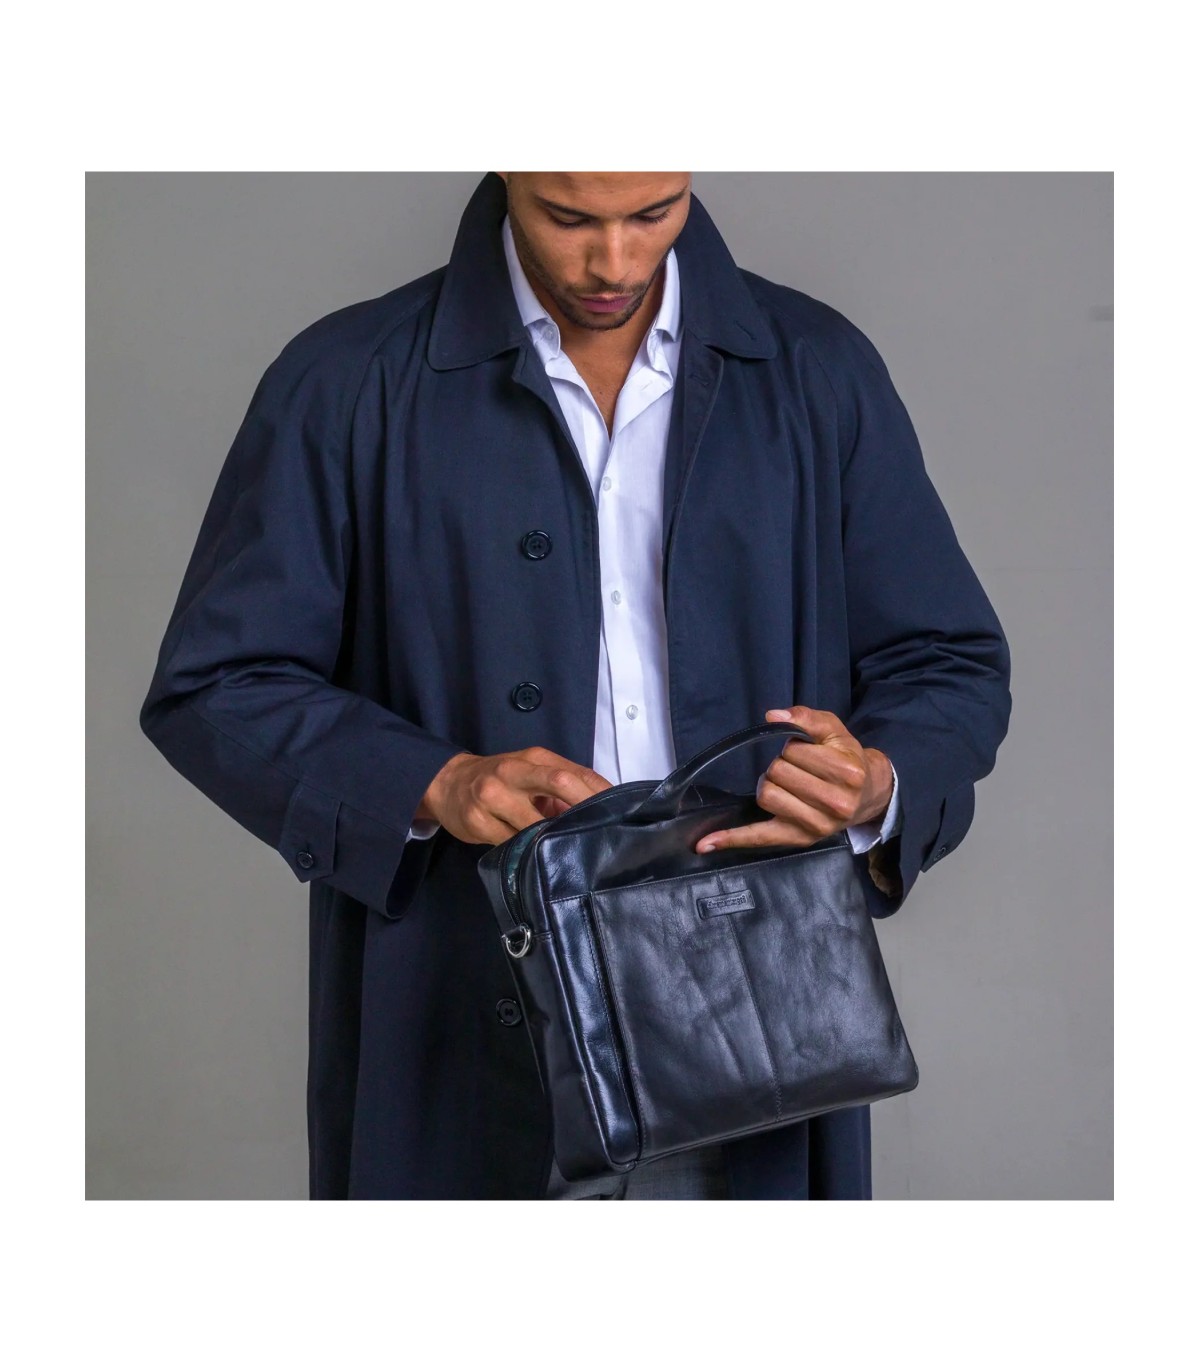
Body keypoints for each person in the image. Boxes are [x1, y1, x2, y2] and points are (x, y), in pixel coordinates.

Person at [139, 171, 1011, 1200]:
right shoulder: (346, 379)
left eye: (653, 212)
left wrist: (878, 781)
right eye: (569, 218)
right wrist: (434, 782)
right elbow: (218, 682)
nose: (615, 262)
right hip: (464, 1023)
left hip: (763, 1029)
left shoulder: (816, 370)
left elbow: (947, 661)